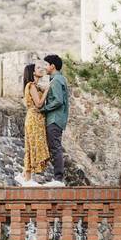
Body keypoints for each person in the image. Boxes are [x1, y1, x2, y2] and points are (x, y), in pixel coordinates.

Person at [39, 54, 70, 186]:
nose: (45, 67)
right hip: (57, 118)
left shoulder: (56, 80)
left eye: (46, 65)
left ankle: (58, 179)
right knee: (55, 147)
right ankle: (58, 177)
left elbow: (58, 101)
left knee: (56, 148)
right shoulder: (59, 79)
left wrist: (44, 108)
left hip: (54, 119)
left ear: (52, 66)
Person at [17, 63, 50, 186]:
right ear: (32, 72)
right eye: (38, 68)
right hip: (34, 118)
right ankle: (26, 177)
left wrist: (42, 88)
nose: (41, 69)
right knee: (32, 147)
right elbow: (39, 104)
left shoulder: (35, 86)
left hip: (36, 118)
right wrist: (46, 90)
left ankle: (26, 177)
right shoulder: (31, 86)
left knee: (31, 147)